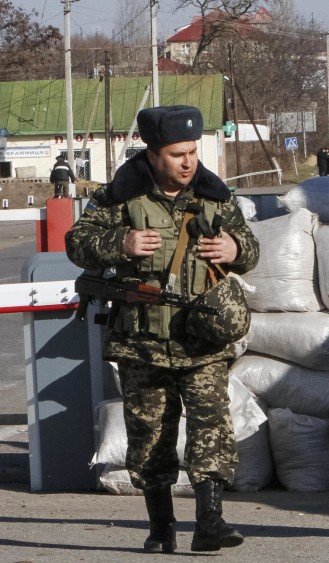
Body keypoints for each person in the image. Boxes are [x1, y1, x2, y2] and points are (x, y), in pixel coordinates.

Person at [65, 105, 259, 554]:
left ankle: (210, 522)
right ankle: (161, 527)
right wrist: (121, 243)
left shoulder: (214, 194)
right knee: (151, 435)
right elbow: (77, 242)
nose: (188, 162)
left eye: (192, 151)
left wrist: (233, 247)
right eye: (177, 154)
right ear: (153, 155)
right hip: (143, 340)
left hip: (202, 336)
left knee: (213, 426)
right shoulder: (119, 197)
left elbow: (249, 248)